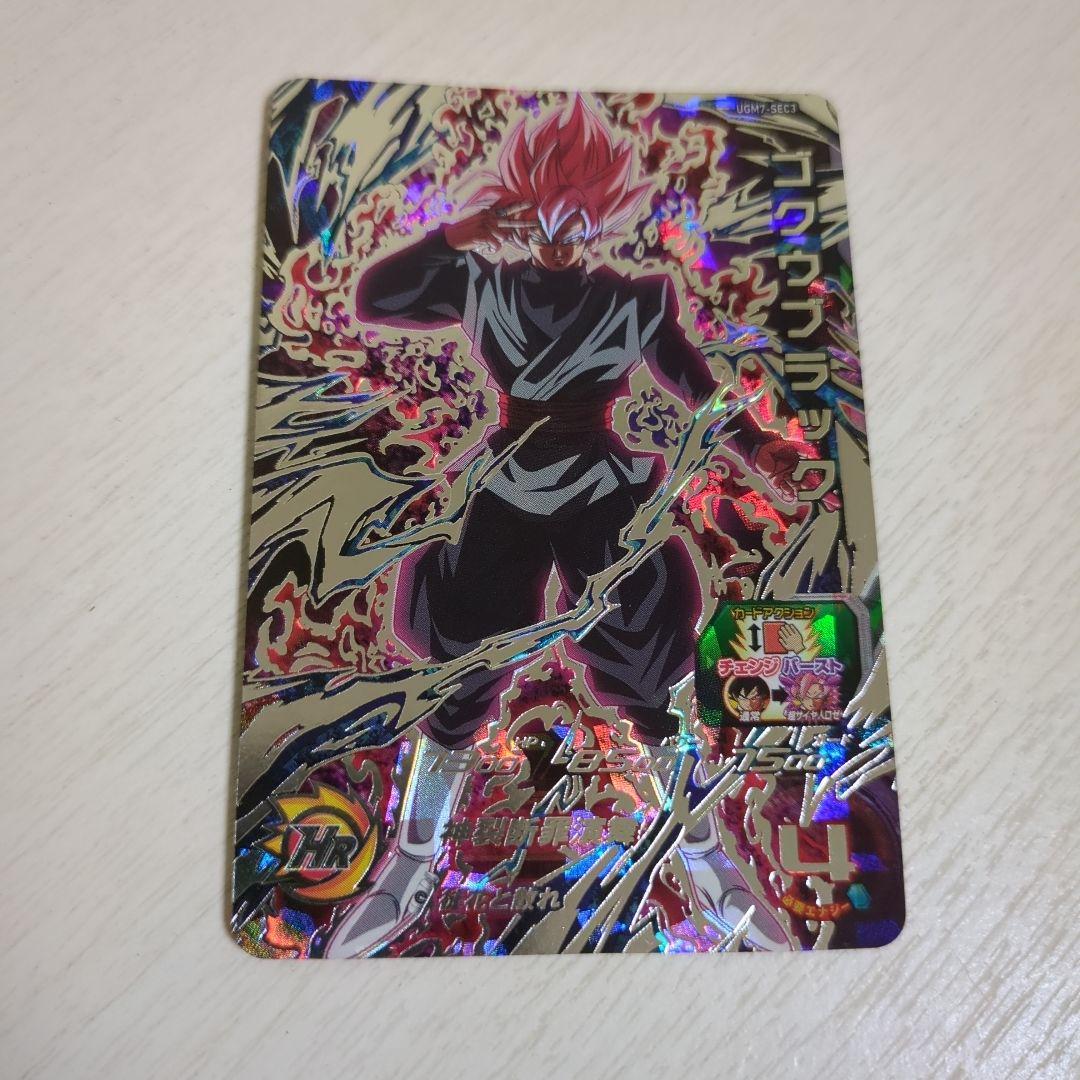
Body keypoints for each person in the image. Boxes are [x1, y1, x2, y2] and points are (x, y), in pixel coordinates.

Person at [324, 97, 798, 955]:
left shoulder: (633, 299)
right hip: (507, 485)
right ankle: (412, 862)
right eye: (541, 207)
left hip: (599, 488)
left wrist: (759, 449)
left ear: (604, 213)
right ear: (520, 204)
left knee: (649, 672)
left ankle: (701, 854)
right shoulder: (484, 283)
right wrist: (462, 233)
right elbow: (375, 295)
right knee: (462, 666)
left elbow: (697, 389)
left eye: (576, 211)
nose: (557, 229)